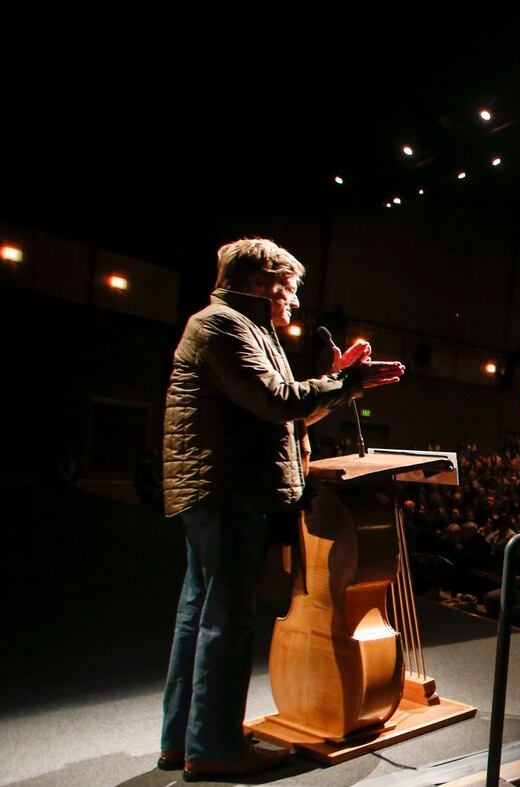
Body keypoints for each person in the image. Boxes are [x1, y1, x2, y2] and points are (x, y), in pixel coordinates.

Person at [159, 239, 404, 780]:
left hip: (222, 489)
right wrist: (347, 381)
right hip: (227, 491)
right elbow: (277, 401)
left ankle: (187, 739)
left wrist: (339, 382)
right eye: (289, 288)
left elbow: (283, 416)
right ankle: (213, 748)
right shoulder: (223, 325)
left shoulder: (245, 330)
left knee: (198, 616)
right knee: (227, 621)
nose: (294, 301)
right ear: (260, 283)